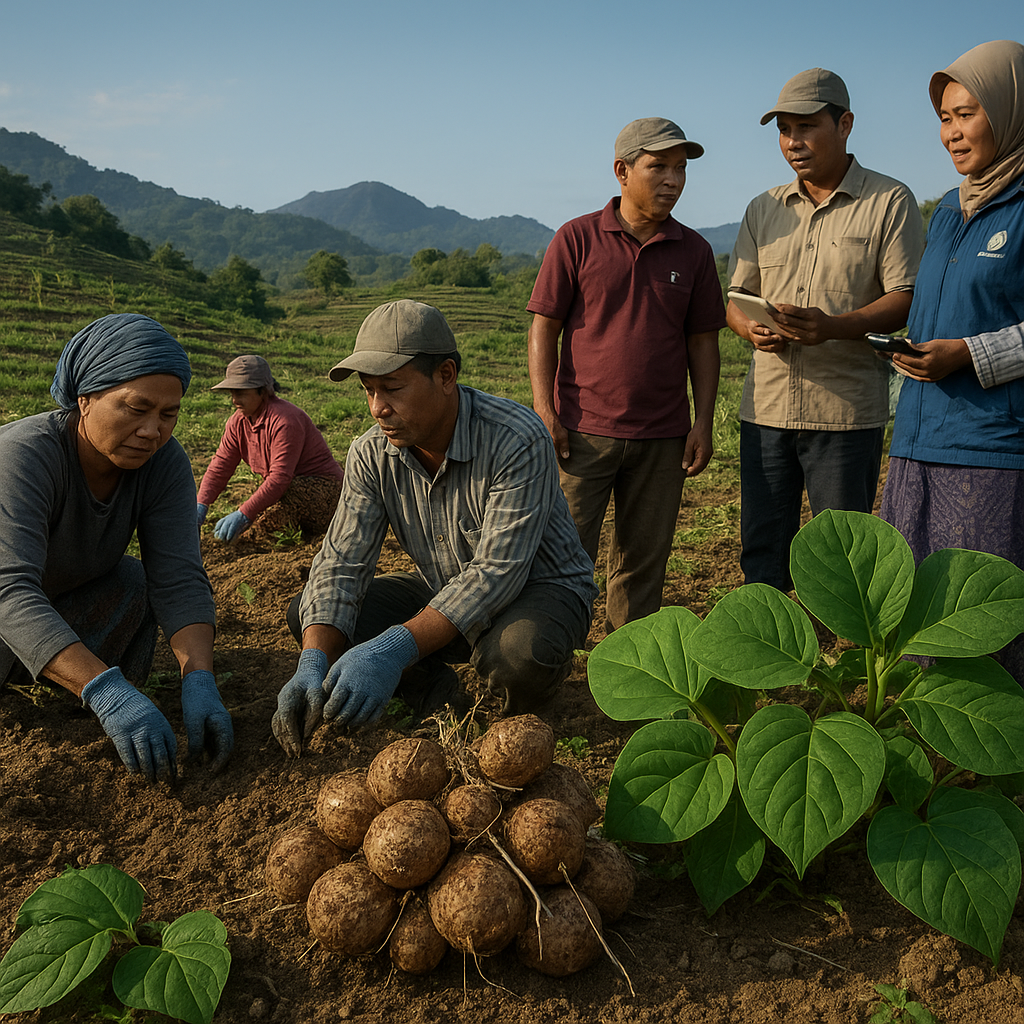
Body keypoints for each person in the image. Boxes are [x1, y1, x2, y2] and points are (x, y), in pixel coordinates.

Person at [271, 300, 598, 756]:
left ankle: (518, 710)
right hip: (446, 584)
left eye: (392, 389)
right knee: (313, 616)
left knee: (518, 656)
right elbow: (342, 563)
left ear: (446, 376)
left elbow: (497, 572)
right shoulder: (371, 454)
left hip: (540, 588)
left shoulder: (515, 439)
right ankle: (435, 692)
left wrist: (392, 648)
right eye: (368, 391)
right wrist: (311, 662)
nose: (378, 408)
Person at [0, 313, 233, 782]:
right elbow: (9, 591)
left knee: (133, 581)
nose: (152, 430)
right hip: (9, 606)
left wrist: (199, 678)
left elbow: (179, 578)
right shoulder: (24, 455)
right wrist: (106, 690)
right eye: (136, 408)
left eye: (168, 415)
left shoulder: (162, 463)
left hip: (52, 600)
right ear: (85, 400)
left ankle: (66, 679)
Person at [727, 68, 924, 591]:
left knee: (845, 562)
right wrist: (751, 330)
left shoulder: (889, 201)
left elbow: (906, 297)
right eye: (784, 130)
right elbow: (736, 299)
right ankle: (767, 642)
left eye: (806, 127)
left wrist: (833, 327)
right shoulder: (763, 208)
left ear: (845, 124)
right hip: (766, 409)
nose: (793, 142)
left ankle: (842, 646)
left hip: (844, 413)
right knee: (763, 552)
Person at [527, 117, 724, 632]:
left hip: (663, 437)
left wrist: (703, 422)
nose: (674, 180)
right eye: (659, 167)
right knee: (563, 556)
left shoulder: (695, 251)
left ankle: (628, 664)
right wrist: (545, 410)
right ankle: (550, 657)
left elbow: (703, 342)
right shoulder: (576, 238)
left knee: (642, 566)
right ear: (622, 171)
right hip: (581, 434)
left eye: (681, 169)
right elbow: (544, 328)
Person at [881, 39, 1024, 684]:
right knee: (912, 616)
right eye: (944, 117)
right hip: (918, 441)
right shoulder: (947, 209)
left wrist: (970, 353)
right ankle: (919, 740)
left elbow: (973, 335)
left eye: (967, 114)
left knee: (979, 625)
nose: (951, 133)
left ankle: (994, 744)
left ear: (1010, 110)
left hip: (992, 448)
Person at [196, 354, 344, 542]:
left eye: (241, 393)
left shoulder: (285, 421)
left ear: (263, 391)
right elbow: (221, 464)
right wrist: (201, 504)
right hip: (287, 489)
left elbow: (280, 478)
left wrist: (244, 513)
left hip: (324, 492)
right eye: (232, 393)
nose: (234, 400)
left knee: (261, 530)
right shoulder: (238, 422)